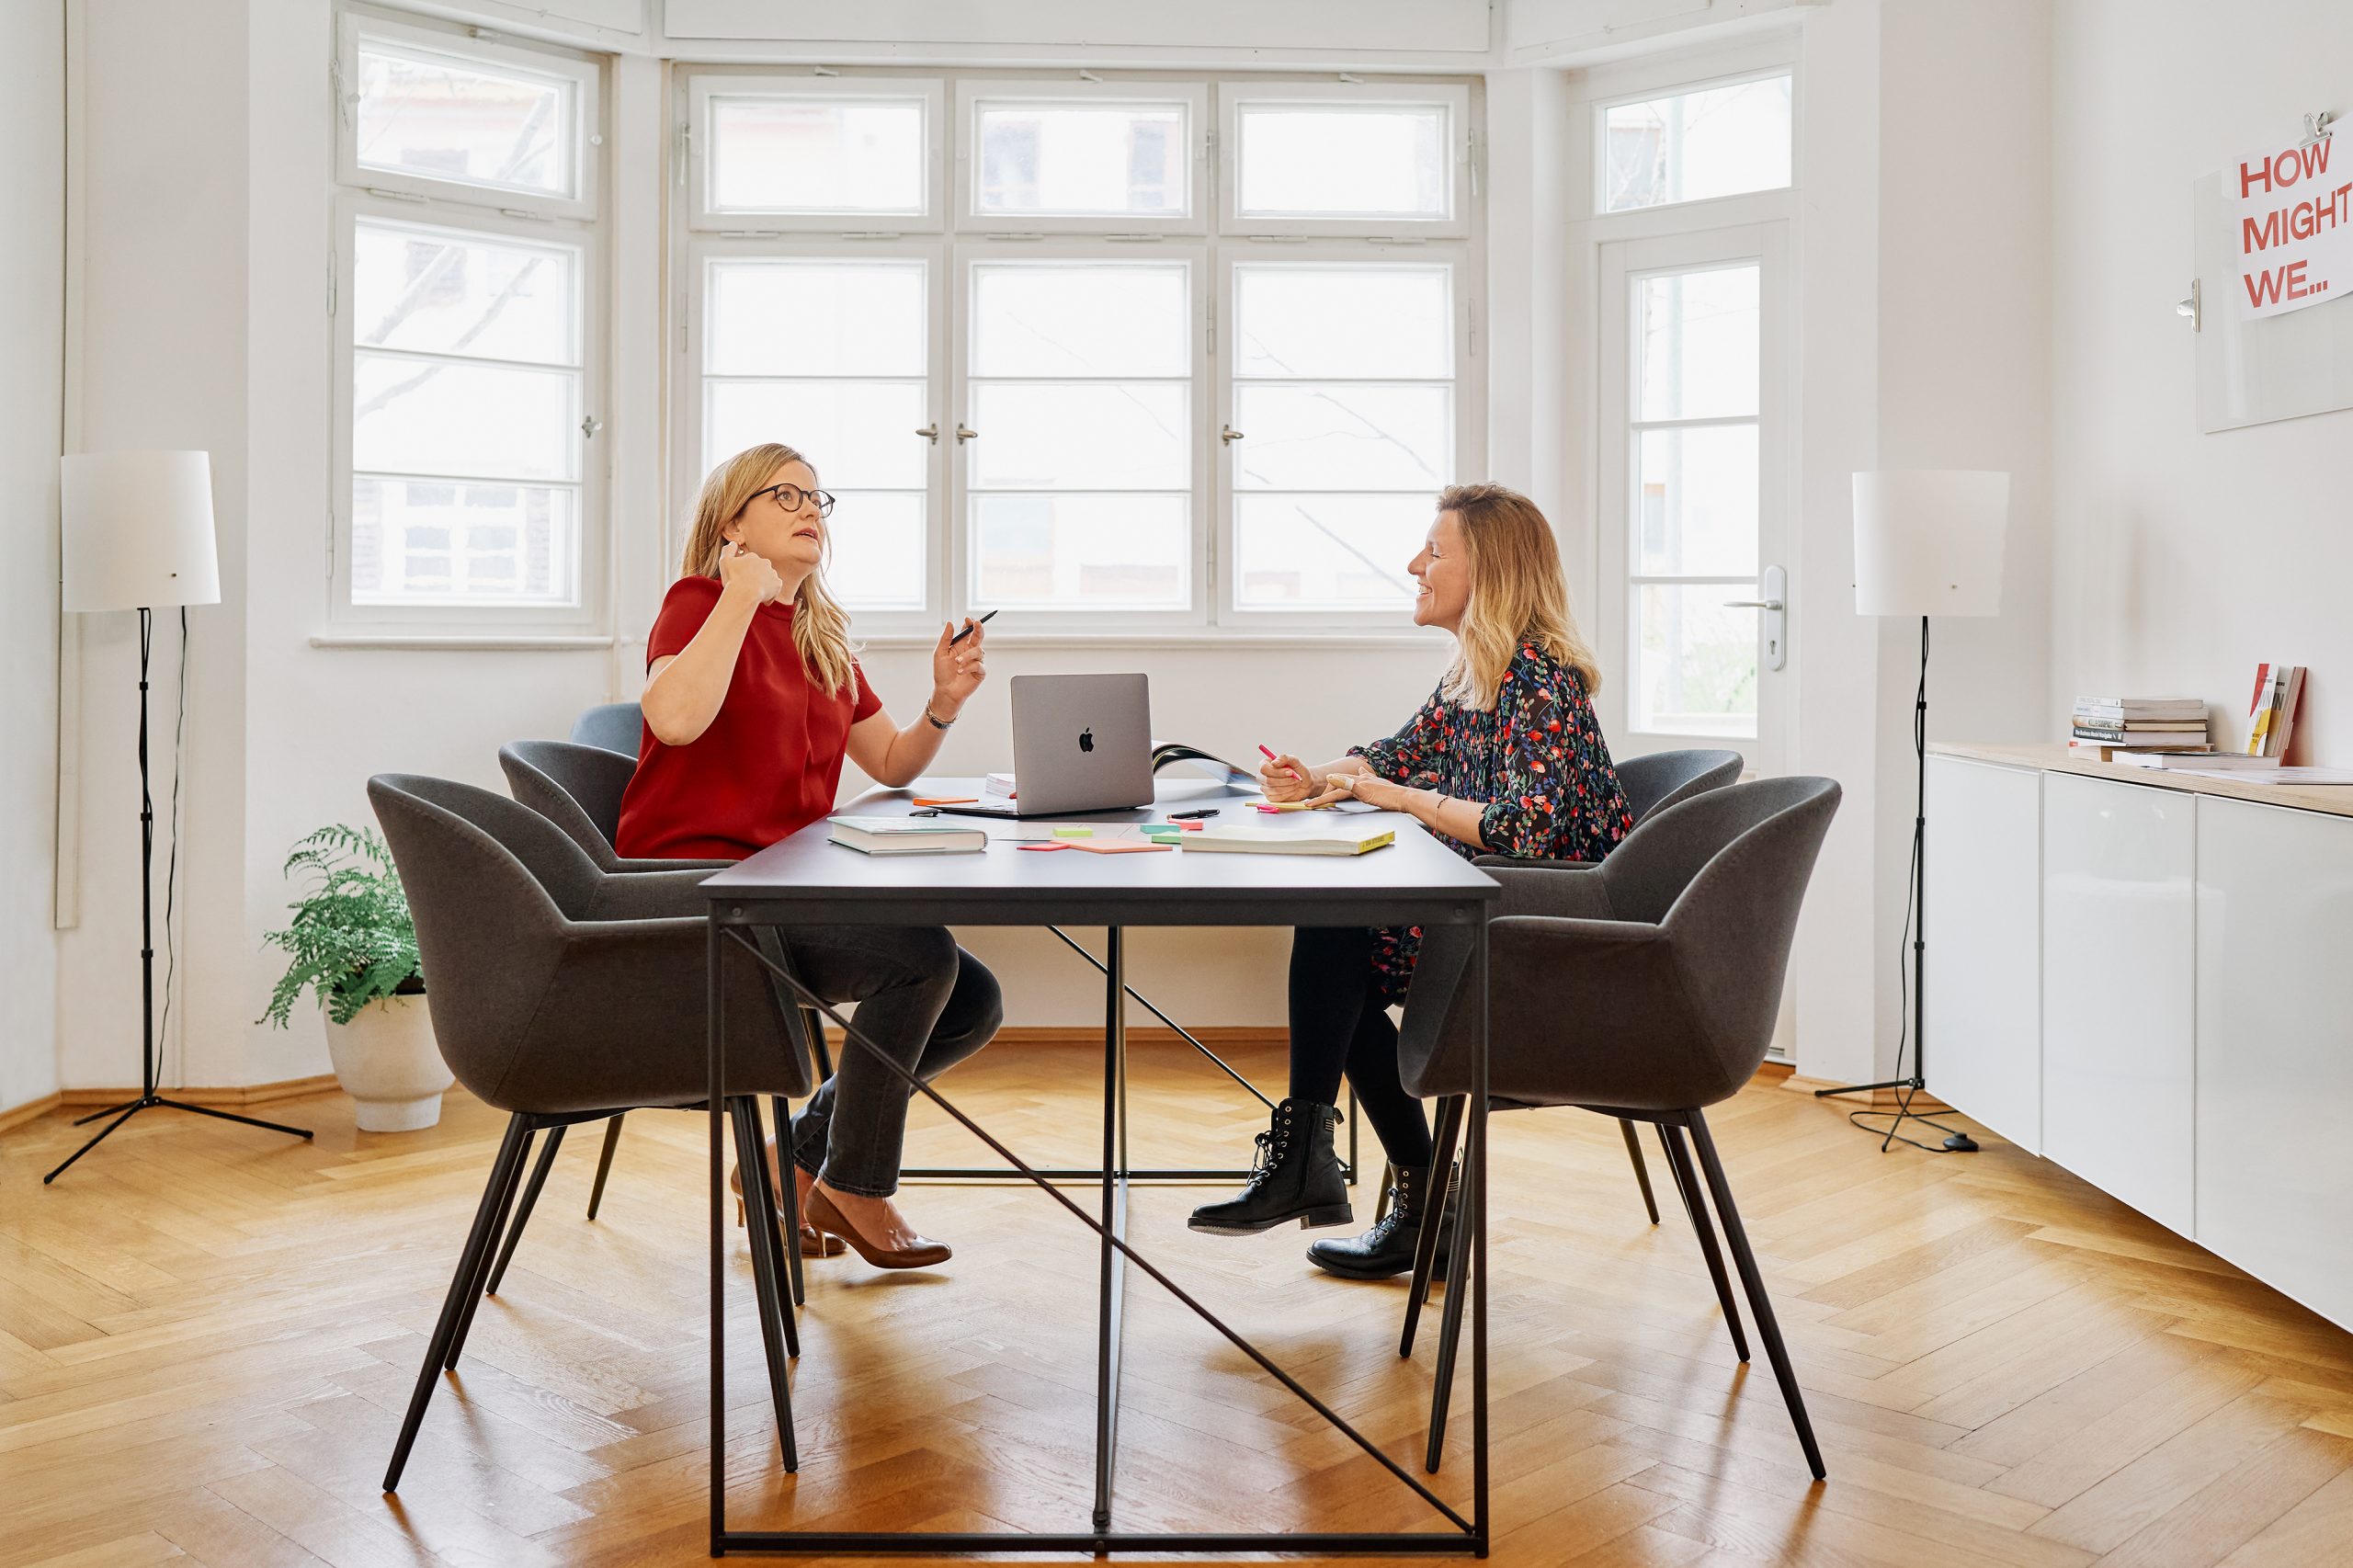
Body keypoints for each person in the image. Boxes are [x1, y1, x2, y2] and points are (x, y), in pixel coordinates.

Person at [1188, 483, 1634, 1278]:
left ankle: (1345, 1173)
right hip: (1496, 913)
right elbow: (1392, 757)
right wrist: (1313, 777)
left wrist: (1394, 797)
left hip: (1550, 937)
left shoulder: (1540, 679)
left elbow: (1524, 828)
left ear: (1487, 572)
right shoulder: (1476, 672)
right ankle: (1374, 1185)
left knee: (1338, 943)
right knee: (1337, 941)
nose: (1412, 565)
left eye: (1434, 551)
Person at [617, 441, 1002, 1270]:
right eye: (784, 496)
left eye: (816, 500)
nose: (808, 512)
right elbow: (674, 720)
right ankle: (855, 1185)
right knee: (919, 959)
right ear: (733, 524)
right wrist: (740, 594)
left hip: (783, 893)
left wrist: (942, 703)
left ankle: (790, 1158)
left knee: (973, 999)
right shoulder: (697, 603)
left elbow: (890, 762)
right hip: (700, 896)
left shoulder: (820, 636)